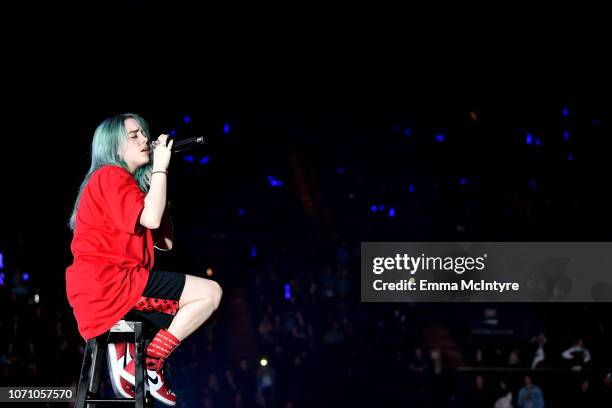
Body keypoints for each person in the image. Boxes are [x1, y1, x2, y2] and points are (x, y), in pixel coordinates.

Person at [66, 113, 223, 406]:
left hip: (111, 284)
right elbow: (151, 219)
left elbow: (165, 242)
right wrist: (161, 169)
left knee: (206, 298)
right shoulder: (110, 175)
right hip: (111, 284)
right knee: (210, 294)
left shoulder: (122, 184)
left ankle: (139, 358)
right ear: (114, 147)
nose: (144, 140)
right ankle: (151, 360)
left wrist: (156, 184)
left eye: (143, 134)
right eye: (134, 136)